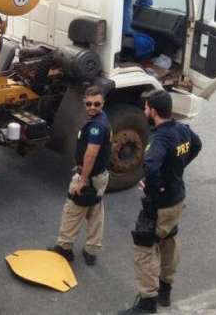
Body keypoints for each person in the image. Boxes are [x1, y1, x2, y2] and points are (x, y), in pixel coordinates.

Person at [119, 90, 202, 314]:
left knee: (145, 248)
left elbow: (151, 166)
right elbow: (197, 145)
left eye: (146, 108)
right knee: (169, 242)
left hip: (161, 204)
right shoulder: (182, 130)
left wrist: (153, 187)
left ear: (153, 111)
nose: (145, 111)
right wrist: (177, 169)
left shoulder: (160, 138)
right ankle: (165, 290)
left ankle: (147, 301)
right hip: (177, 198)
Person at [49, 85, 112, 266]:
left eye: (97, 104)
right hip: (100, 176)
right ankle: (91, 250)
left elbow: (91, 154)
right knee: (95, 212)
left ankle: (64, 248)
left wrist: (82, 180)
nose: (93, 107)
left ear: (103, 103)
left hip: (89, 177)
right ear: (85, 102)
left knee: (72, 210)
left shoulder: (96, 127)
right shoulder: (102, 118)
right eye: (89, 103)